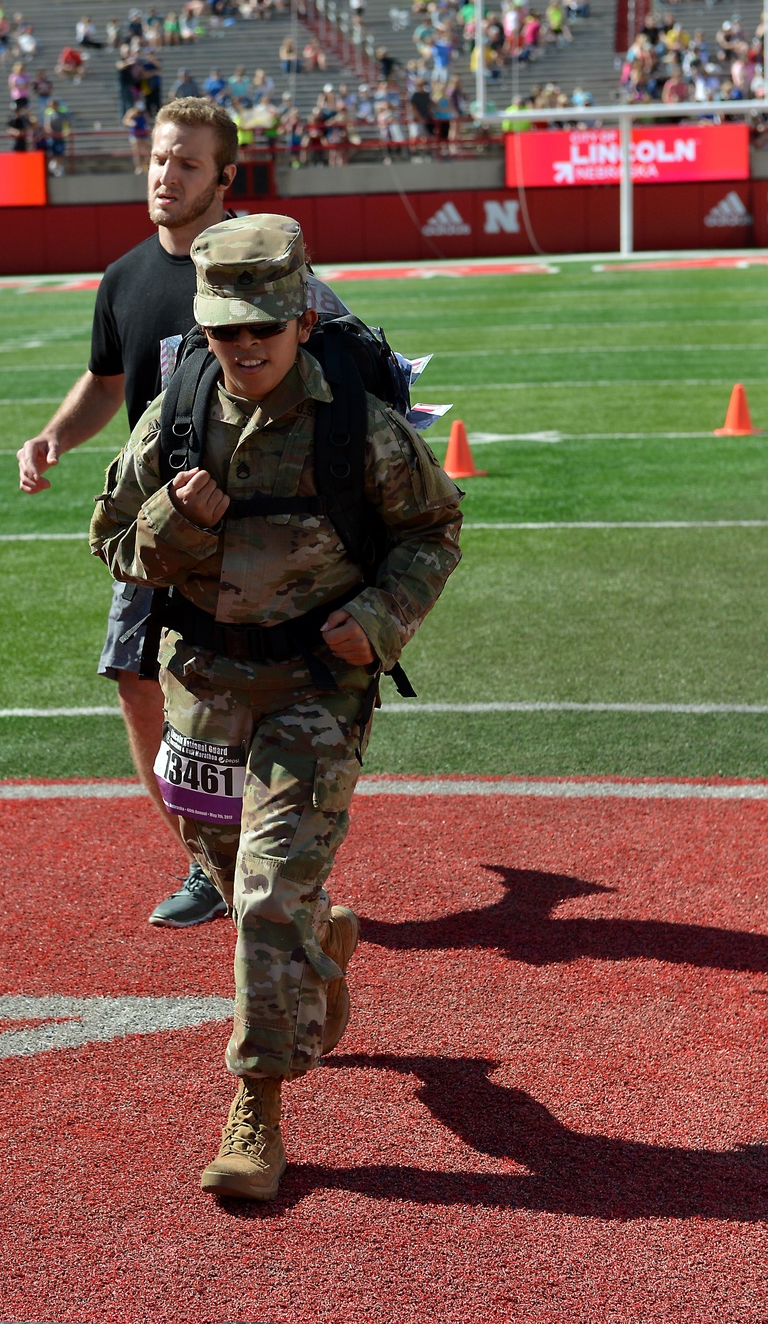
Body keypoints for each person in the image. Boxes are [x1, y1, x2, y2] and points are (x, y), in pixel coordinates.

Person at [88, 214, 464, 1201]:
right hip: (204, 687)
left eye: (265, 326)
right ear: (205, 327)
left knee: (260, 893)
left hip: (315, 686)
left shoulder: (357, 424)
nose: (245, 346)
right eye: (225, 329)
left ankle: (256, 1104)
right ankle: (320, 950)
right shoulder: (177, 413)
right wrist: (175, 513)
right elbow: (112, 538)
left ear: (300, 317)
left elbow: (434, 528)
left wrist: (380, 617)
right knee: (231, 868)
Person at [16, 100, 344, 930]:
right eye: (161, 159)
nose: (167, 176)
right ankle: (205, 867)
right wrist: (55, 436)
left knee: (258, 692)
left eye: (189, 164)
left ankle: (271, 865)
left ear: (226, 178)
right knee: (135, 685)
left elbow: (337, 357)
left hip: (258, 527)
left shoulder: (254, 270)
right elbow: (103, 378)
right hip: (165, 526)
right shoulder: (124, 278)